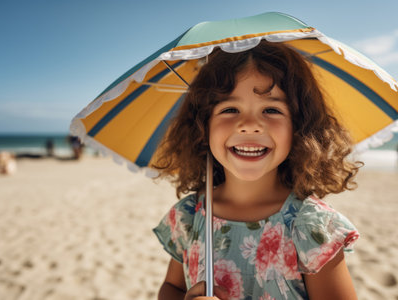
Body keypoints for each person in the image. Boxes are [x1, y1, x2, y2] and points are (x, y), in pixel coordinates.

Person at [152, 40, 362, 300]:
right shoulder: (188, 217)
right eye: (230, 109)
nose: (249, 125)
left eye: (271, 110)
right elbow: (172, 288)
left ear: (299, 128)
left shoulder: (311, 227)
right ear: (202, 126)